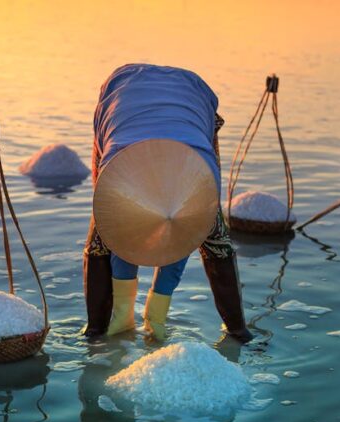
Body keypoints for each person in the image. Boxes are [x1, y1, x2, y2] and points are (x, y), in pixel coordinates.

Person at [83, 63, 252, 342]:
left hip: (154, 159)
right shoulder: (115, 97)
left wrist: (105, 219)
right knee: (208, 237)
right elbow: (198, 212)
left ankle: (100, 331)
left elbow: (100, 179)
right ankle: (237, 333)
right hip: (138, 154)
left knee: (114, 229)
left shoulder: (115, 97)